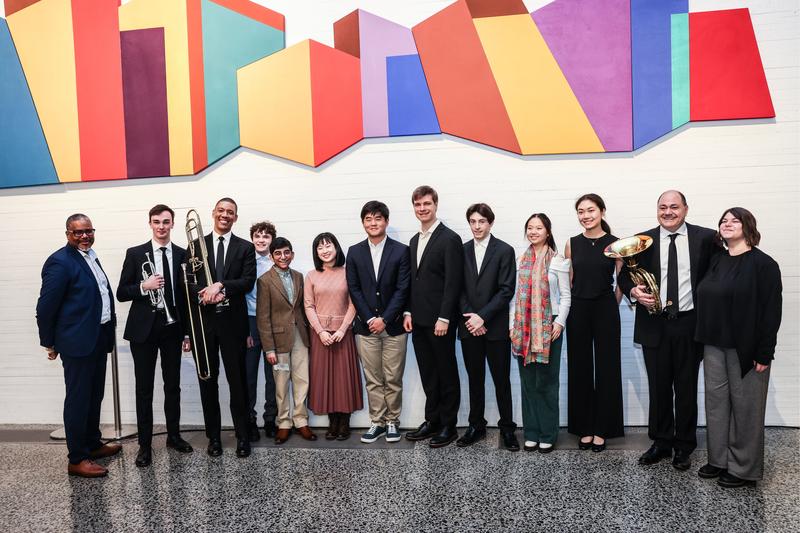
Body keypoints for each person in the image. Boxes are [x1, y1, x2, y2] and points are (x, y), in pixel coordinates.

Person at [618, 191, 717, 470]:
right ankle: (661, 441)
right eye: (663, 207)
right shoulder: (642, 240)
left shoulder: (706, 238)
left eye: (674, 206)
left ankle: (684, 445)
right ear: (656, 210)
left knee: (685, 387)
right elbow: (624, 275)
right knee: (659, 387)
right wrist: (633, 291)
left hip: (689, 323)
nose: (668, 212)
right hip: (654, 322)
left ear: (686, 209)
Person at [695, 207, 782, 488]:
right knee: (716, 405)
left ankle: (744, 469)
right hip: (713, 345)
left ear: (748, 226)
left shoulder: (764, 264)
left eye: (734, 220)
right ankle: (719, 459)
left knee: (746, 408)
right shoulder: (716, 261)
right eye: (723, 220)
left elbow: (771, 312)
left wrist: (764, 352)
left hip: (746, 348)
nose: (727, 223)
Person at [36, 214, 120, 477]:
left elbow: (99, 295)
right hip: (77, 342)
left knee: (95, 395)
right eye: (78, 232)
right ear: (68, 234)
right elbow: (46, 306)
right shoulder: (60, 262)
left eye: (88, 231)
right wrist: (48, 342)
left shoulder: (91, 256)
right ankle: (77, 458)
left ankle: (92, 444)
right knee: (78, 399)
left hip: (98, 337)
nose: (84, 236)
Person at [116, 205, 194, 467]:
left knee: (173, 386)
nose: (161, 226)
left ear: (172, 224)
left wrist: (186, 333)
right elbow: (122, 292)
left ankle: (174, 436)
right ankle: (145, 446)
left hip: (172, 328)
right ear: (150, 223)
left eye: (166, 222)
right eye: (157, 222)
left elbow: (185, 299)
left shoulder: (184, 255)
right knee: (144, 389)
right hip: (144, 330)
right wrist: (143, 286)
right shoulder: (136, 253)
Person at [193, 198, 256, 458]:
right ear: (213, 213)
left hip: (233, 324)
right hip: (205, 325)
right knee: (208, 383)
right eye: (221, 211)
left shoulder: (245, 247)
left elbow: (248, 281)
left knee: (237, 383)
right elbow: (189, 282)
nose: (225, 215)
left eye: (230, 212)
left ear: (236, 218)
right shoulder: (196, 245)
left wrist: (221, 286)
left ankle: (243, 437)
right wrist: (202, 293)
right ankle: (214, 438)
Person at [403, 185, 464, 448]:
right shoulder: (414, 240)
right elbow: (413, 282)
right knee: (429, 373)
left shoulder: (449, 238)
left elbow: (453, 282)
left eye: (427, 203)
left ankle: (449, 425)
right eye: (417, 204)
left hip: (440, 322)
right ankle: (433, 420)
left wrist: (445, 318)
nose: (422, 208)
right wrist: (408, 311)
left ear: (436, 205)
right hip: (418, 320)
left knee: (447, 372)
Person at [346, 201, 410, 444]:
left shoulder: (401, 250)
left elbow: (403, 288)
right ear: (363, 223)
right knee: (372, 377)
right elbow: (354, 288)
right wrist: (370, 318)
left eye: (378, 219)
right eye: (368, 219)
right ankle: (377, 422)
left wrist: (385, 319)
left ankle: (393, 421)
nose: (373, 223)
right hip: (365, 327)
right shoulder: (354, 251)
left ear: (386, 221)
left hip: (393, 327)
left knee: (393, 377)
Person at [457, 203, 518, 451]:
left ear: (490, 223)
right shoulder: (461, 251)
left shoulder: (504, 250)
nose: (477, 226)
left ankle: (507, 429)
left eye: (481, 221)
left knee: (502, 380)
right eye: (472, 221)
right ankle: (476, 426)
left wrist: (483, 317)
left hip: (495, 327)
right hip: (470, 326)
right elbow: (457, 288)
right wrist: (472, 319)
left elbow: (506, 290)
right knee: (475, 379)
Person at [565, 193, 624, 451]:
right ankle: (584, 427)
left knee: (607, 367)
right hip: (577, 309)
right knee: (580, 368)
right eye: (581, 211)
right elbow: (568, 281)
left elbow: (622, 281)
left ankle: (603, 428)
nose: (585, 216)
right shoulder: (571, 243)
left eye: (590, 210)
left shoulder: (615, 244)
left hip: (604, 308)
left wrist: (612, 304)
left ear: (602, 211)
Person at [510, 213, 571, 454]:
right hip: (523, 327)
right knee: (527, 383)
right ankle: (531, 433)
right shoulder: (520, 259)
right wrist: (511, 325)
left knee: (546, 382)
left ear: (548, 231)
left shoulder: (558, 261)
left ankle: (548, 433)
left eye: (539, 228)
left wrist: (560, 323)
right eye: (530, 228)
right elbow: (514, 296)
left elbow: (566, 296)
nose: (534, 232)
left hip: (550, 327)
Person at [257, 237, 316, 444]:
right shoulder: (264, 280)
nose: (283, 257)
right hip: (278, 341)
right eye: (278, 253)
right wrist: (269, 349)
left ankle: (301, 421)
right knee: (281, 384)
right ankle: (283, 423)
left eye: (287, 252)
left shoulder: (300, 277)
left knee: (302, 380)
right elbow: (263, 317)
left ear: (292, 254)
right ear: (272, 256)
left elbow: (301, 308)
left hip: (300, 337)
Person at [305, 233, 363, 440]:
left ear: (336, 248)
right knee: (325, 378)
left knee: (343, 378)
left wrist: (342, 329)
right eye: (320, 247)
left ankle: (344, 422)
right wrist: (320, 331)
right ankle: (332, 423)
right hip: (320, 336)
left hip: (343, 334)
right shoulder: (311, 275)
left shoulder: (348, 272)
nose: (325, 250)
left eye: (328, 245)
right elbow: (308, 305)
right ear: (316, 252)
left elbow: (354, 303)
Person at [245, 221, 279, 441]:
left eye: (266, 236)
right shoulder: (245, 261)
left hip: (272, 322)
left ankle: (270, 420)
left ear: (272, 240)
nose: (261, 240)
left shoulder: (277, 262)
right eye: (257, 236)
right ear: (252, 239)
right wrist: (244, 330)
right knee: (248, 375)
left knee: (273, 376)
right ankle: (249, 420)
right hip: (249, 321)